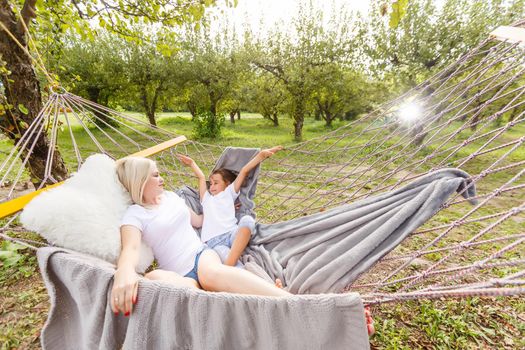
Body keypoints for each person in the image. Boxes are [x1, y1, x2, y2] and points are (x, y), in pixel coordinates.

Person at [111, 156, 289, 317]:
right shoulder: (135, 214)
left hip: (200, 256)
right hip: (179, 275)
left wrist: (222, 209)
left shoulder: (171, 198)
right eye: (156, 175)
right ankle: (213, 295)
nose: (162, 179)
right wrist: (124, 271)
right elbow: (131, 248)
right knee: (152, 278)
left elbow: (198, 221)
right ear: (140, 180)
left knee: (211, 274)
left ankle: (285, 299)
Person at [177, 146, 282, 266]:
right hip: (215, 241)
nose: (212, 186)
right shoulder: (206, 199)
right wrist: (192, 163)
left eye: (216, 183)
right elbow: (201, 177)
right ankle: (233, 268)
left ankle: (229, 266)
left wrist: (260, 156)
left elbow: (244, 171)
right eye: (210, 183)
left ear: (227, 184)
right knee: (233, 262)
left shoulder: (229, 193)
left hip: (232, 233)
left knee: (247, 220)